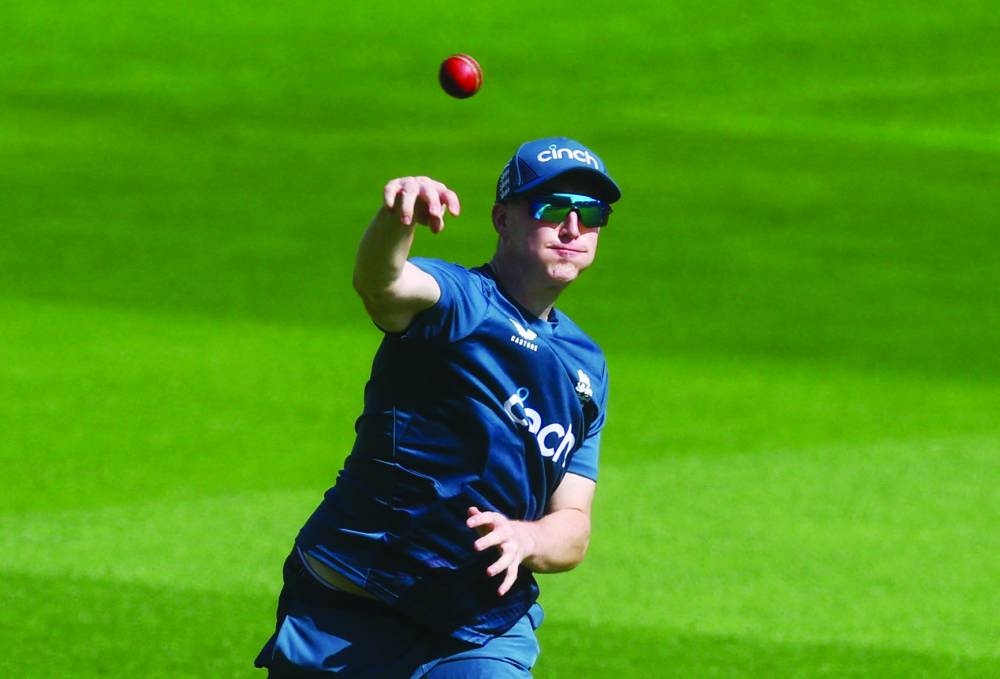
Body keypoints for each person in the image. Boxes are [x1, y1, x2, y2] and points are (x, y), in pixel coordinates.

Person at [255, 136, 622, 678]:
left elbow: (572, 526)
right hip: (352, 605)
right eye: (551, 208)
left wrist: (527, 537)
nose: (572, 228)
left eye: (590, 214)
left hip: (479, 625)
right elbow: (382, 284)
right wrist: (395, 219)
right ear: (503, 219)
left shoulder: (587, 367)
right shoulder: (461, 301)